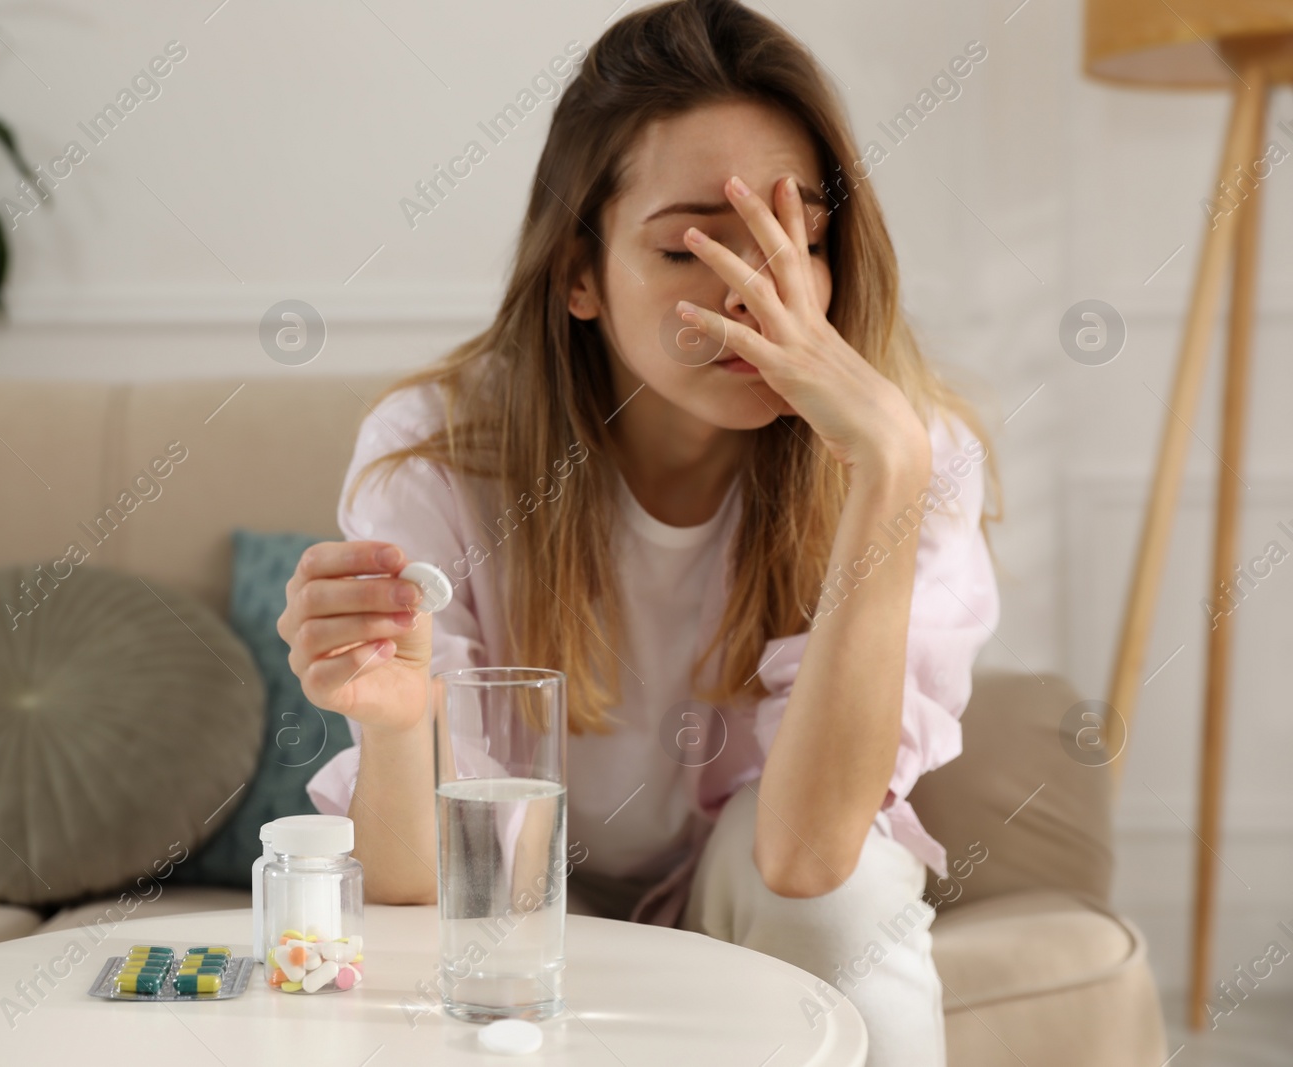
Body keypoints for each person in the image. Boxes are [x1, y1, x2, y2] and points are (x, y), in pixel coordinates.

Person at [277, 1, 1002, 1062]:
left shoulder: (908, 452)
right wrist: (397, 725)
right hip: (512, 907)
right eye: (689, 249)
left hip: (743, 889)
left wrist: (887, 475)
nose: (760, 299)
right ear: (579, 272)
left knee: (860, 896)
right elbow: (420, 889)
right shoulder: (436, 452)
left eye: (797, 242)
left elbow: (807, 863)